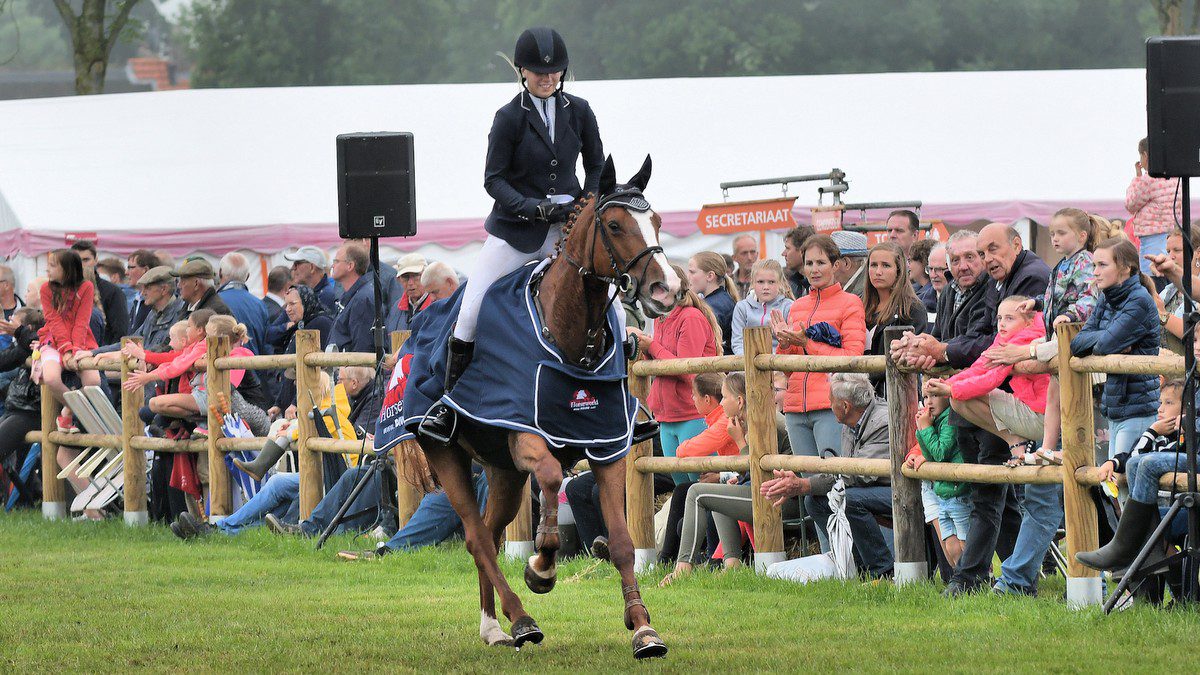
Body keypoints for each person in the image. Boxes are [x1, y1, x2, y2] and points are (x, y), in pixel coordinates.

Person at [434, 26, 603, 428]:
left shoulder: (579, 111)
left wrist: (587, 203)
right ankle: (449, 407)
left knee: (605, 300)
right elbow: (494, 179)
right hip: (518, 232)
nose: (547, 79)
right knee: (471, 311)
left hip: (570, 228)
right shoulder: (508, 117)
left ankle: (613, 397)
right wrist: (532, 208)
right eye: (538, 73)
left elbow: (596, 165)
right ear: (522, 72)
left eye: (554, 72)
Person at [983, 208, 1100, 464]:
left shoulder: (1086, 261)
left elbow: (1089, 297)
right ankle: (1047, 447)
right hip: (1057, 337)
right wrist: (1035, 304)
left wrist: (1070, 315)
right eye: (1051, 234)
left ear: (1081, 236)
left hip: (1077, 337)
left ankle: (1068, 447)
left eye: (1061, 233)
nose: (1054, 239)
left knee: (1070, 399)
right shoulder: (1060, 265)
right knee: (1054, 397)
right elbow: (1050, 296)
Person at [760, 372, 894, 579]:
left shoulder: (882, 422)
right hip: (869, 487)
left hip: (895, 491)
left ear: (845, 406)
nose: (829, 407)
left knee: (849, 500)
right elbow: (848, 471)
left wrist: (805, 484)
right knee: (815, 502)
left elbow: (859, 474)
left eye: (831, 402)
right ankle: (855, 566)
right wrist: (806, 486)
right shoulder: (853, 420)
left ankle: (883, 571)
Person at [771, 234, 866, 462]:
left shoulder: (851, 302)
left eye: (821, 263)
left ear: (835, 265)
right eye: (809, 263)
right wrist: (785, 344)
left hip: (830, 406)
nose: (814, 269)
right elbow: (788, 370)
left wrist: (806, 343)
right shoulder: (797, 306)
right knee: (805, 481)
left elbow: (852, 356)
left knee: (831, 479)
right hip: (795, 407)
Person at [1078, 379, 1185, 572]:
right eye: (1160, 402)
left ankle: (1122, 551)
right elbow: (1132, 457)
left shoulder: (1181, 441)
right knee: (1148, 528)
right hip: (1167, 509)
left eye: (1169, 403)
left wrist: (1151, 431)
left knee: (1147, 527)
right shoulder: (1162, 438)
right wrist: (1114, 462)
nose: (1160, 409)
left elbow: (1142, 459)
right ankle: (1159, 596)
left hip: (1182, 508)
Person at [1071, 237, 1161, 466]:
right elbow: (1077, 344)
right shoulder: (1106, 297)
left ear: (1125, 268)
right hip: (1117, 407)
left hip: (1137, 409)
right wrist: (1112, 337)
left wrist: (1109, 339)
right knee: (1113, 486)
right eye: (1094, 266)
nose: (1096, 272)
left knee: (1123, 482)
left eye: (1102, 265)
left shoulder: (1139, 300)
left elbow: (1104, 346)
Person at [627, 264, 719, 485]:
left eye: (661, 287)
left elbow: (689, 371)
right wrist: (648, 347)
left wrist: (652, 346)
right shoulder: (661, 318)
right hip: (667, 415)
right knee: (682, 487)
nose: (655, 292)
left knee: (702, 483)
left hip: (692, 412)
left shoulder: (691, 317)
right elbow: (663, 361)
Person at [925, 297, 1049, 457]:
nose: (1002, 324)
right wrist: (947, 383)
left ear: (1029, 322)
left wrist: (951, 389)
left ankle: (1015, 440)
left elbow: (991, 379)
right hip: (1030, 408)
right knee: (957, 399)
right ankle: (1013, 439)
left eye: (1009, 318)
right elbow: (979, 367)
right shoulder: (1005, 338)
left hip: (1041, 417)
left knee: (958, 397)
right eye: (999, 318)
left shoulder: (1022, 341)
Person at [658, 372, 751, 584]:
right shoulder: (735, 420)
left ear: (739, 401)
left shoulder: (731, 423)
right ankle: (725, 563)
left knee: (695, 492)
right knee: (703, 490)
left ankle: (683, 566)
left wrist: (738, 447)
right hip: (749, 486)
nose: (722, 402)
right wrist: (728, 475)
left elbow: (754, 468)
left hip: (764, 494)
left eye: (725, 397)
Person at [37, 249, 101, 433]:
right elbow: (54, 320)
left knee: (93, 380)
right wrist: (65, 349)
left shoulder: (86, 287)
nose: (47, 269)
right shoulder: (46, 289)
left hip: (81, 340)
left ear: (66, 269)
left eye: (52, 265)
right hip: (53, 339)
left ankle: (68, 411)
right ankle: (79, 412)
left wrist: (74, 350)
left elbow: (82, 321)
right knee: (51, 378)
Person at [906, 392, 970, 566]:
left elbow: (940, 453)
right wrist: (922, 430)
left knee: (966, 543)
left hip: (958, 491)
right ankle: (965, 583)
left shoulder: (950, 420)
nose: (929, 401)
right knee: (951, 547)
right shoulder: (937, 422)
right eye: (925, 397)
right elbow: (931, 454)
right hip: (944, 493)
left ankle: (980, 579)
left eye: (934, 395)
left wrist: (926, 428)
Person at [862, 242, 927, 395]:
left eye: (885, 265)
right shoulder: (858, 305)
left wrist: (862, 376)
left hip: (897, 395)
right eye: (873, 265)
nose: (878, 271)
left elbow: (909, 357)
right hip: (859, 396)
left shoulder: (912, 309)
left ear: (899, 271)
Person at [267, 284, 334, 420]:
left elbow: (317, 370)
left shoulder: (321, 323)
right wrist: (279, 403)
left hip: (308, 404)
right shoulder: (303, 324)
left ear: (306, 301)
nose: (288, 309)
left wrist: (295, 403)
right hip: (295, 404)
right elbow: (292, 369)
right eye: (286, 305)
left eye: (292, 304)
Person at [1126, 137, 1181, 278]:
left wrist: (1137, 178)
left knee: (1150, 278)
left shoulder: (1149, 179)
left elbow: (1131, 204)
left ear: (1145, 155)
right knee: (1166, 275)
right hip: (1168, 232)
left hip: (1151, 236)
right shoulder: (1174, 177)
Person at [70, 240, 129, 346]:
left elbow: (120, 333)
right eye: (77, 261)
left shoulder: (113, 292)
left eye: (86, 260)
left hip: (102, 357)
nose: (81, 265)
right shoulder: (65, 291)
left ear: (96, 260)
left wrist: (103, 355)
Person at [730, 259, 793, 355]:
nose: (766, 287)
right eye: (760, 282)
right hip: (746, 364)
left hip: (778, 364)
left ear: (780, 283)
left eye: (771, 282)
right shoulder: (742, 307)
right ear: (752, 283)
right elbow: (738, 341)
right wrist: (748, 361)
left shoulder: (788, 306)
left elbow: (792, 344)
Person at [217, 252, 269, 355]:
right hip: (256, 366)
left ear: (220, 273)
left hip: (224, 369)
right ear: (248, 276)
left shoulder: (214, 302)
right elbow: (266, 345)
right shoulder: (260, 305)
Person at [687, 251, 738, 355]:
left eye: (692, 272)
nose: (688, 277)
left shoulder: (714, 305)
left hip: (721, 365)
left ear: (710, 276)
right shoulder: (721, 299)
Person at [328, 243, 375, 353]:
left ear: (350, 266)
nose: (332, 266)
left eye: (336, 261)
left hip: (351, 368)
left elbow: (362, 348)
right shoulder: (353, 296)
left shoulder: (363, 299)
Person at [386, 253, 433, 333]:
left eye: (415, 276)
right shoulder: (396, 308)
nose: (410, 282)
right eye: (405, 277)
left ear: (426, 276)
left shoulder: (436, 305)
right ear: (399, 279)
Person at [283, 246, 337, 313]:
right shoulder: (301, 294)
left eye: (297, 264)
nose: (292, 268)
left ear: (312, 267)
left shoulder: (326, 295)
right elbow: (276, 323)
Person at [125, 249, 160, 332]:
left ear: (145, 270)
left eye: (131, 268)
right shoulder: (137, 299)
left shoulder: (155, 302)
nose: (126, 272)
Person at [829, 230, 868, 298]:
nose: (828, 269)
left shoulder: (864, 293)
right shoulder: (862, 288)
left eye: (832, 263)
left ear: (846, 263)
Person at [780, 225, 814, 299]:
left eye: (787, 248)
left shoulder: (821, 285)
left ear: (802, 251)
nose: (783, 254)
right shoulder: (791, 283)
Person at [909, 239, 938, 313]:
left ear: (923, 262)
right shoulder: (913, 290)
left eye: (910, 261)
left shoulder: (933, 294)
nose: (908, 265)